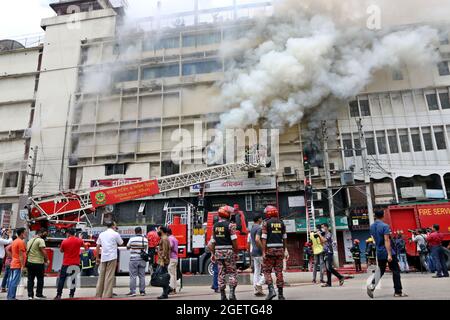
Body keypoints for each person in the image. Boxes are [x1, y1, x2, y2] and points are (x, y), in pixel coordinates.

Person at [367, 210, 407, 298]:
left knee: (381, 270)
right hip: (387, 251)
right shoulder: (385, 226)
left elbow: (375, 239)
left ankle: (372, 286)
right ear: (383, 216)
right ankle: (398, 292)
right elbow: (386, 240)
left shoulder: (372, 226)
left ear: (375, 216)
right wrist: (389, 254)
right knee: (395, 271)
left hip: (379, 251)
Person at [208, 205, 238, 300]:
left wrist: (213, 253)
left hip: (218, 252)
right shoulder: (230, 225)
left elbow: (212, 242)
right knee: (232, 272)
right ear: (227, 214)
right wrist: (236, 252)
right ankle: (232, 294)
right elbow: (234, 241)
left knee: (221, 273)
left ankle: (222, 295)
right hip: (229, 252)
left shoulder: (215, 226)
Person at [261, 205, 287, 300]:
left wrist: (263, 252)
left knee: (266, 271)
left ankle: (271, 291)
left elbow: (264, 238)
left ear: (269, 213)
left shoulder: (266, 223)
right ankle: (280, 295)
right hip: (280, 250)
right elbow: (284, 238)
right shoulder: (281, 223)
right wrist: (284, 250)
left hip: (269, 251)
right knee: (279, 271)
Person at [95, 221, 124, 298]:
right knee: (109, 276)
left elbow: (97, 246)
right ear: (113, 226)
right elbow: (121, 243)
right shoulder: (115, 234)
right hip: (112, 257)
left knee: (101, 276)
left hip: (103, 257)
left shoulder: (101, 234)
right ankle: (107, 295)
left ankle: (98, 293)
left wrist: (97, 257)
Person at [55, 229, 84, 300]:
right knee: (73, 279)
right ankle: (71, 295)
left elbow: (61, 251)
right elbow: (83, 245)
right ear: (74, 234)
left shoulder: (64, 241)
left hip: (66, 263)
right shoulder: (79, 240)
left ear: (68, 234)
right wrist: (80, 238)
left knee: (62, 279)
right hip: (75, 263)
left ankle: (59, 295)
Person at [26, 228, 49, 300]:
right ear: (41, 233)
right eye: (45, 233)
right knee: (40, 279)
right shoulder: (41, 240)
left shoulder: (30, 240)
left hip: (30, 263)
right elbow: (43, 251)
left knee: (30, 279)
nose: (46, 235)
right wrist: (47, 260)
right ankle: (39, 294)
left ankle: (30, 295)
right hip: (38, 263)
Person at [320, 223, 345, 288]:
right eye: (321, 227)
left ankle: (340, 277)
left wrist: (319, 234)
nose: (322, 228)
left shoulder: (329, 234)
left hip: (329, 252)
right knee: (327, 269)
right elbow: (321, 242)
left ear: (326, 227)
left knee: (329, 267)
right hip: (325, 252)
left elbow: (324, 240)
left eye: (323, 227)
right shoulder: (324, 235)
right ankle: (329, 283)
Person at [126, 226, 148, 297]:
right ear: (141, 231)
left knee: (133, 276)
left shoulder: (132, 239)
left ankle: (133, 292)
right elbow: (146, 248)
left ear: (135, 232)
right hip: (142, 259)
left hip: (133, 259)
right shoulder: (145, 239)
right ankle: (142, 291)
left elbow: (127, 247)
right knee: (142, 276)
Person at [247, 214, 265, 296]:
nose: (262, 219)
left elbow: (250, 241)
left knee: (257, 271)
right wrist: (263, 249)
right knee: (268, 270)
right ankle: (259, 284)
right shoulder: (259, 228)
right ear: (259, 219)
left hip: (253, 252)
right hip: (259, 252)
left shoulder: (252, 229)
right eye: (261, 218)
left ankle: (256, 290)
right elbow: (257, 240)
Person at [7, 228, 27, 300]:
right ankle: (11, 297)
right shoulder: (20, 242)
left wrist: (12, 257)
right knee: (15, 281)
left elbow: (8, 249)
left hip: (14, 263)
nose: (26, 234)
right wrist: (22, 266)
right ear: (21, 233)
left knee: (12, 281)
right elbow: (21, 255)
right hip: (17, 264)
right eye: (25, 232)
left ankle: (10, 296)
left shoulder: (15, 241)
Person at [156, 226, 171, 299]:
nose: (157, 231)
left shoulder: (164, 239)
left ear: (161, 230)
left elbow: (165, 251)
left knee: (162, 277)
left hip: (163, 261)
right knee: (163, 276)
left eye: (158, 229)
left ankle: (165, 293)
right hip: (164, 260)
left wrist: (162, 260)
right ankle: (168, 289)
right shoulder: (164, 238)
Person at [167, 228, 179, 295]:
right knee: (174, 274)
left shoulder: (170, 238)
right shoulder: (174, 238)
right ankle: (174, 289)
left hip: (171, 258)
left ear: (167, 233)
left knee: (171, 274)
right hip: (175, 258)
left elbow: (170, 246)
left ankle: (171, 289)